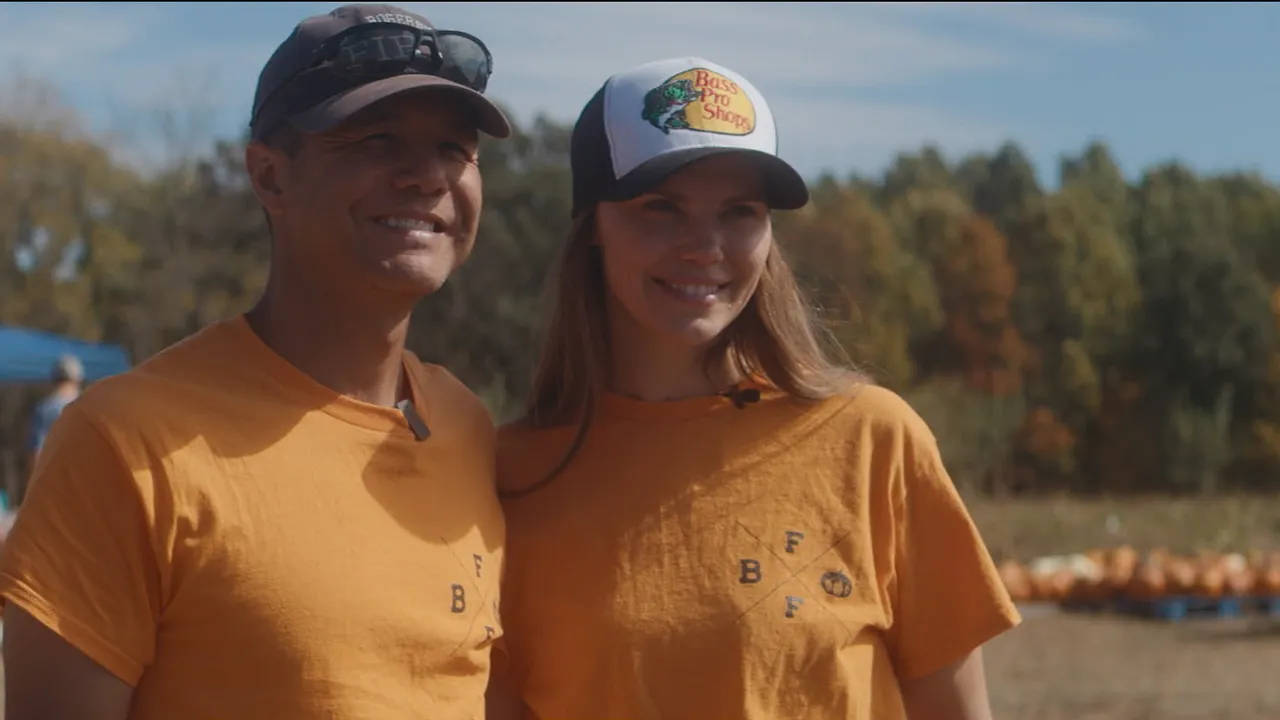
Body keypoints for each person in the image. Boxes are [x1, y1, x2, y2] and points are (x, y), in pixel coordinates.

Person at [1, 5, 510, 719]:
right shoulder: (125, 444)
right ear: (270, 177)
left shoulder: (467, 426)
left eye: (454, 149)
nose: (427, 176)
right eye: (376, 140)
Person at [488, 57, 1021, 720]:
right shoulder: (507, 478)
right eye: (661, 208)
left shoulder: (872, 440)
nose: (704, 245)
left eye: (739, 212)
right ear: (593, 226)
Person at [24, 354, 83, 481]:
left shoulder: (45, 409)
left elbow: (36, 452)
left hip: (55, 482)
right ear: (77, 379)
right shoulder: (87, 407)